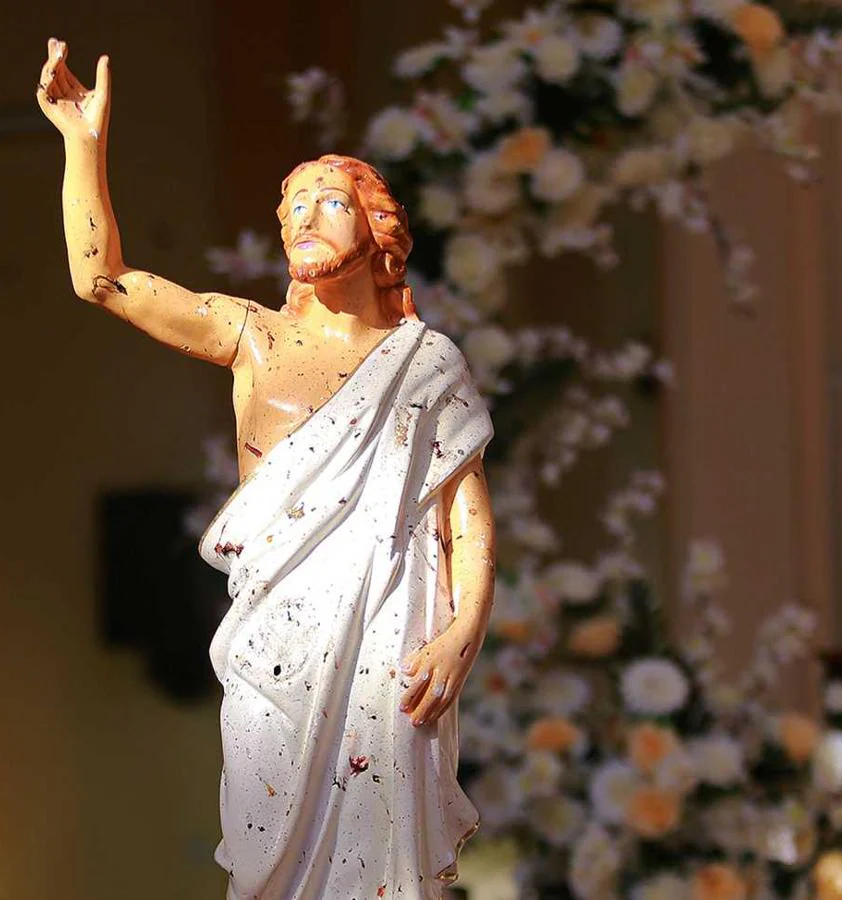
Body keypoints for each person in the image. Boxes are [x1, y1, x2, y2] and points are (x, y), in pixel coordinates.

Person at [37, 39, 497, 899]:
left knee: (382, 849)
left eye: (326, 202)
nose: (302, 220)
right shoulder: (254, 335)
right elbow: (101, 278)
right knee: (266, 846)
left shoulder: (424, 362)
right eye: (290, 211)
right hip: (275, 630)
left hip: (387, 633)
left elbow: (460, 505)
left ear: (376, 227)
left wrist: (464, 626)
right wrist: (81, 144)